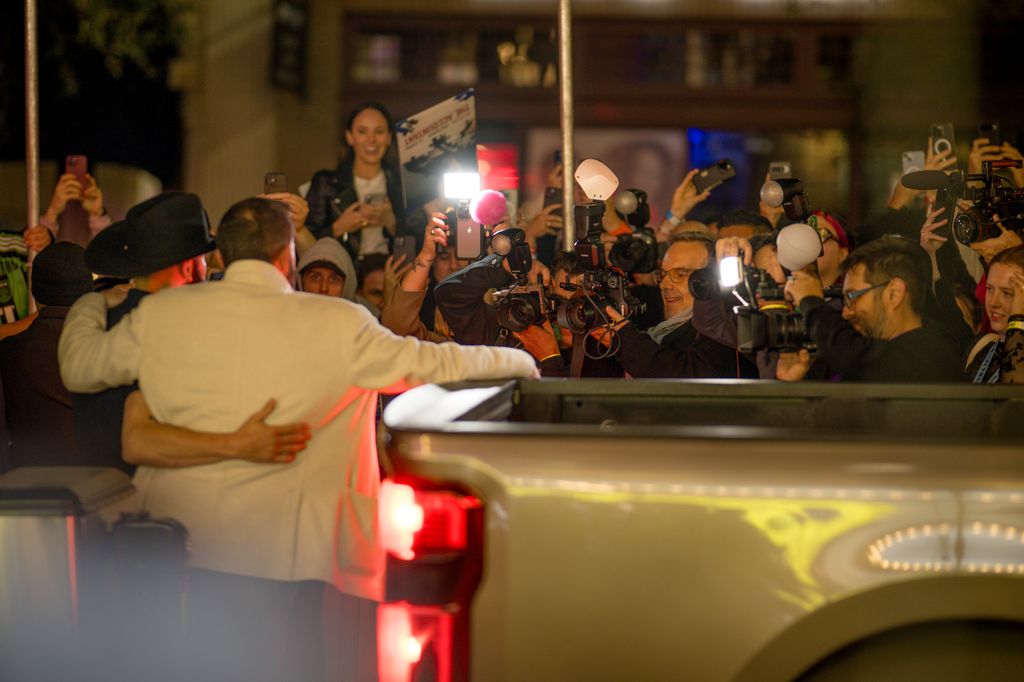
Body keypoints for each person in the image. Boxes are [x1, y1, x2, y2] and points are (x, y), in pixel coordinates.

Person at [58, 196, 536, 679]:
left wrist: (93, 301)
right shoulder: (339, 322)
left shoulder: (159, 316)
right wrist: (523, 363)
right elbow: (436, 364)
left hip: (177, 542)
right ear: (287, 255)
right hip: (292, 557)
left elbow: (80, 368)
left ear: (222, 255)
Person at [71, 191, 215, 472]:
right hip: (156, 494)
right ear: (190, 267)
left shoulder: (101, 321)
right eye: (204, 260)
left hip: (95, 490)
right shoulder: (178, 328)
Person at [782, 236, 965, 382]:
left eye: (852, 297)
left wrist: (811, 302)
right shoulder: (874, 359)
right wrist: (791, 385)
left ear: (893, 294)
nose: (846, 312)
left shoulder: (929, 356)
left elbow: (857, 355)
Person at [600, 232, 757, 378]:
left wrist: (626, 342)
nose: (665, 285)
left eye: (680, 274)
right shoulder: (653, 322)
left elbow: (689, 376)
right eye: (663, 274)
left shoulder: (725, 329)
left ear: (709, 279)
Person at [0, 242, 93, 470]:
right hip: (99, 487)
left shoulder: (7, 353)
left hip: (29, 491)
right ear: (89, 293)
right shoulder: (113, 349)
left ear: (34, 293)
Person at [305, 101, 407, 259]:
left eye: (379, 132)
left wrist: (392, 223)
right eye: (362, 131)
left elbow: (420, 237)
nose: (371, 140)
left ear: (389, 137)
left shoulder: (403, 184)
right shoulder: (326, 182)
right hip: (343, 275)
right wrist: (338, 227)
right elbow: (305, 241)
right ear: (350, 137)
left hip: (390, 270)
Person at [964, 245, 1024, 383]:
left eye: (1007, 293)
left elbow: (1014, 397)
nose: (993, 302)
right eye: (990, 289)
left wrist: (1017, 318)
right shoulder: (984, 344)